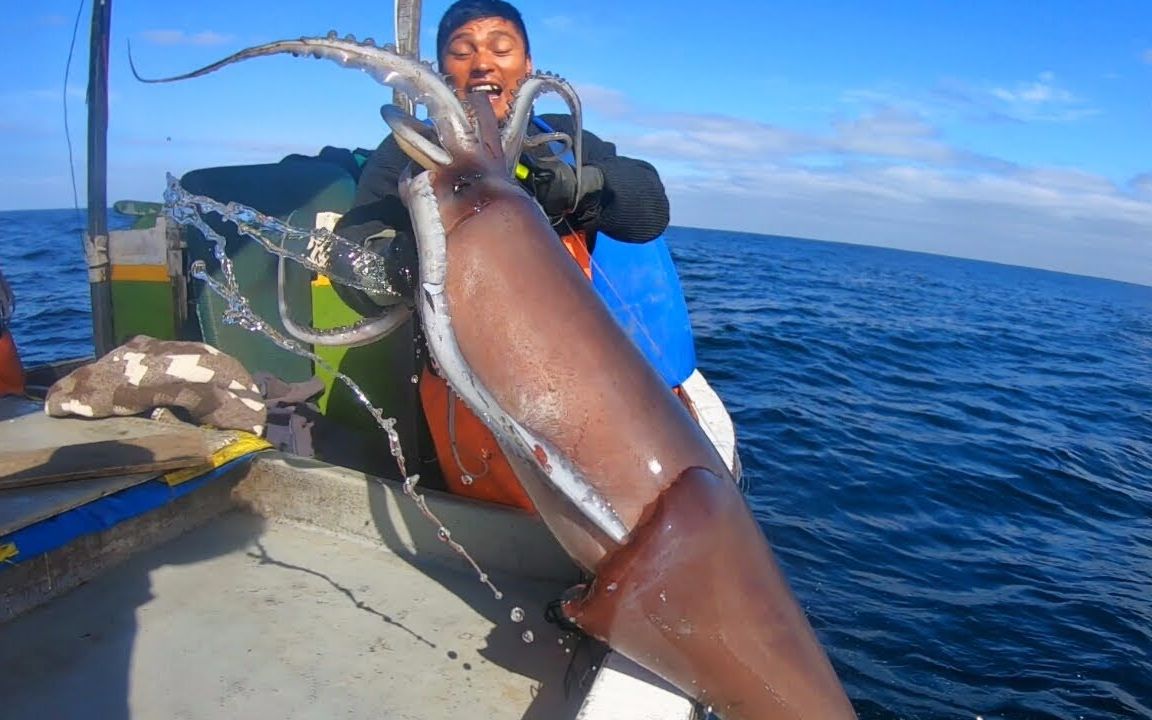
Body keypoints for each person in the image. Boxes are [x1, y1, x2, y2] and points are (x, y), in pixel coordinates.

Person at [333, 0, 671, 509]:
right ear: (441, 69)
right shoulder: (410, 153)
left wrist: (585, 184)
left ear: (528, 65)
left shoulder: (562, 143)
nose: (482, 62)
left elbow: (649, 212)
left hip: (577, 380)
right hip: (463, 389)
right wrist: (413, 257)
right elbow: (353, 260)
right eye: (462, 50)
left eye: (501, 47)